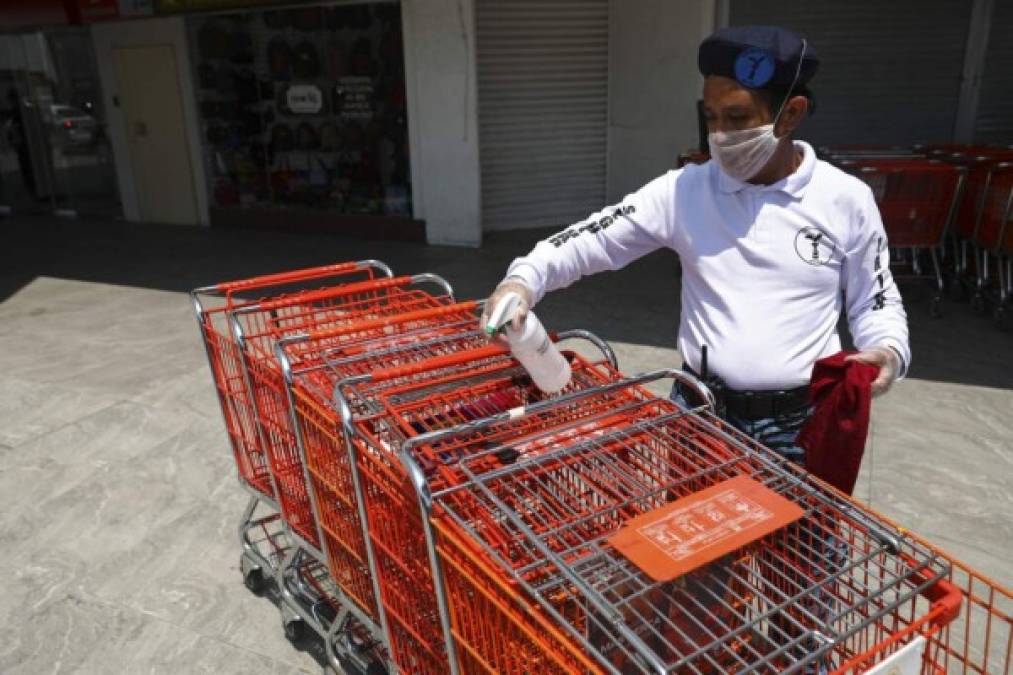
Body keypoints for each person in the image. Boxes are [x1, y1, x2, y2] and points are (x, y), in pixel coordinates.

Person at [481, 25, 910, 464]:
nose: (719, 136)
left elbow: (874, 299)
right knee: (696, 531)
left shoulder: (844, 199)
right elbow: (592, 238)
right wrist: (523, 281)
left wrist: (888, 348)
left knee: (801, 533)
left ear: (791, 114)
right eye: (711, 117)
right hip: (702, 412)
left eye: (738, 118)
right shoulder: (685, 191)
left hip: (800, 422)